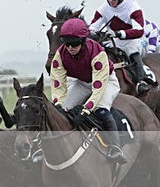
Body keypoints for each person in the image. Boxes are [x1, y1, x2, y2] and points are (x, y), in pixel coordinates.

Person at [50, 18, 127, 164]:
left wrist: (85, 110)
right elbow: (58, 84)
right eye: (67, 43)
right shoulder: (59, 56)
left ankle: (115, 147)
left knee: (101, 110)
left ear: (84, 41)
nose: (70, 47)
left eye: (74, 43)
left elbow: (98, 88)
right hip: (82, 82)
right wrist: (58, 103)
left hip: (106, 81)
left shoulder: (98, 53)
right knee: (63, 111)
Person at [89, 0, 152, 95]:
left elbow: (139, 30)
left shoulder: (133, 6)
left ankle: (141, 82)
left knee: (132, 51)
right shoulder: (103, 9)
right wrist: (94, 34)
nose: (111, 0)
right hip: (113, 41)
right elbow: (93, 28)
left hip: (133, 40)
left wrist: (119, 34)